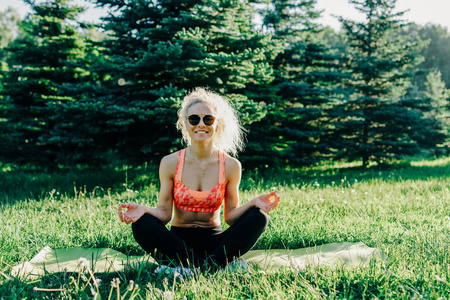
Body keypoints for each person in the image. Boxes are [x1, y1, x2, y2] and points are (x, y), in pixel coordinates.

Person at [118, 88, 280, 272]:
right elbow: (164, 214)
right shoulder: (170, 163)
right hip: (177, 245)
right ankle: (209, 269)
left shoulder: (231, 165)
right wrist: (144, 210)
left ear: (217, 125)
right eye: (194, 119)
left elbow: (230, 216)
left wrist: (253, 203)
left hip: (216, 245)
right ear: (185, 124)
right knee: (141, 223)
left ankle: (196, 269)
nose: (201, 124)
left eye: (208, 119)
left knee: (259, 218)